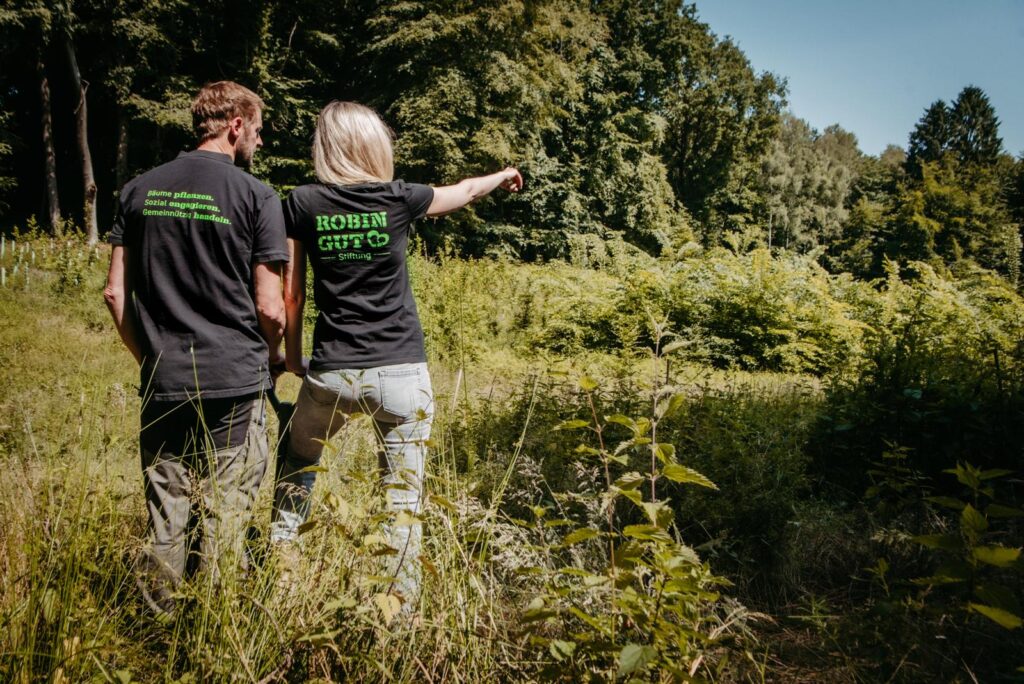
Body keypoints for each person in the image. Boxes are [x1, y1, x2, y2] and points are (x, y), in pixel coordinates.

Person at [271, 101, 522, 609]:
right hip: (402, 372)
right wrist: (504, 174)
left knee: (298, 460)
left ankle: (282, 577)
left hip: (332, 373)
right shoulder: (400, 198)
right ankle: (398, 616)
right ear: (374, 145)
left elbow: (291, 293)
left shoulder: (300, 202)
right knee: (402, 498)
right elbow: (467, 190)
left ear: (327, 147)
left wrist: (293, 359)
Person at [103, 81, 289, 616]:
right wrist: (272, 357)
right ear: (235, 126)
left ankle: (156, 630)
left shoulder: (139, 190)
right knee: (227, 516)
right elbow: (271, 307)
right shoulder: (257, 197)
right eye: (256, 130)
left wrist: (150, 360)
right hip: (236, 382)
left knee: (167, 516)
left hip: (163, 384)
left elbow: (116, 293)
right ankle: (213, 634)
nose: (258, 141)